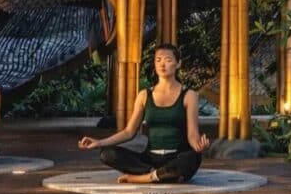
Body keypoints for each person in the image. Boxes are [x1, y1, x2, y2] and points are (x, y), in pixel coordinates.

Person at [78, 43, 210, 183]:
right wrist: (99, 142)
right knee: (107, 154)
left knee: (193, 157)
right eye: (158, 60)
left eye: (168, 60)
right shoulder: (144, 95)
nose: (162, 64)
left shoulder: (189, 95)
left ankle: (145, 177)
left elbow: (192, 133)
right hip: (150, 160)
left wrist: (198, 145)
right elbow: (129, 132)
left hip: (177, 157)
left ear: (178, 64)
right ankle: (156, 174)